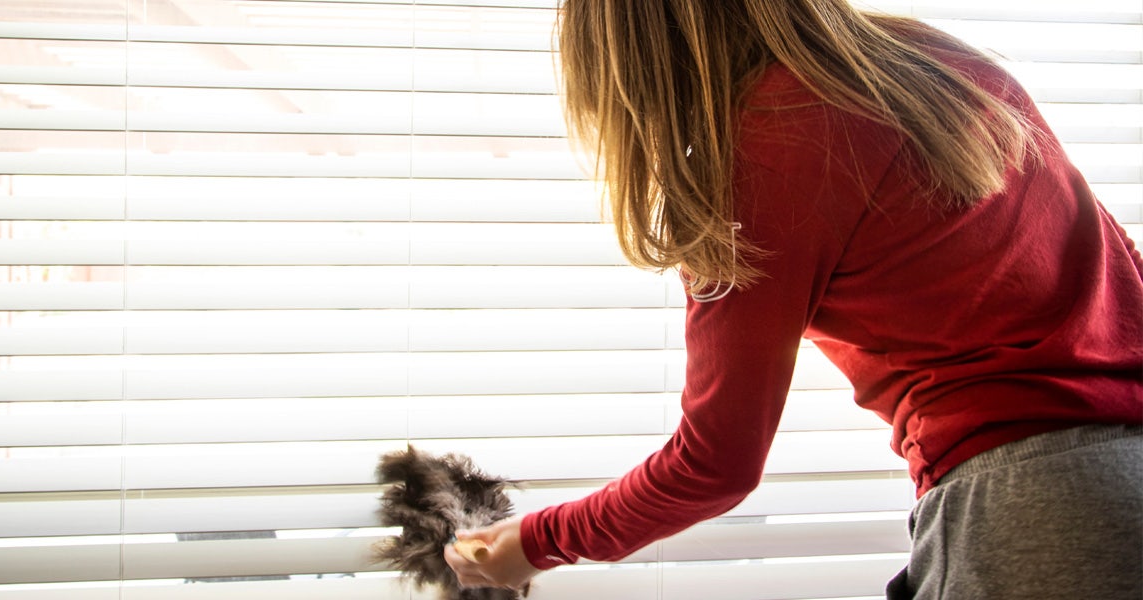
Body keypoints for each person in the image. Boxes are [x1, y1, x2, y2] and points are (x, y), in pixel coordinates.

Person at [444, 1, 1143, 598]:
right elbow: (1125, 273)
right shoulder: (937, 63)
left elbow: (713, 464)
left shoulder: (760, 158)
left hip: (1037, 513)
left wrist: (535, 543)